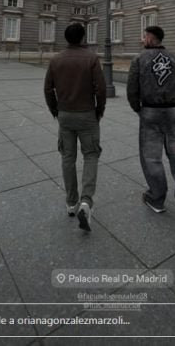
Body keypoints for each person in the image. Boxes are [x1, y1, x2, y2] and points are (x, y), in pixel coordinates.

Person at [127, 26, 175, 217]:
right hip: (174, 111)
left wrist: (139, 109)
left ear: (150, 38)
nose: (143, 40)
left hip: (150, 111)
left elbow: (132, 90)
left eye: (144, 37)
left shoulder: (139, 59)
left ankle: (156, 198)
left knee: (152, 157)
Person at [44, 23, 106, 232]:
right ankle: (86, 202)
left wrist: (55, 110)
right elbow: (101, 89)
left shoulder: (56, 60)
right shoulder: (91, 58)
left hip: (65, 115)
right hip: (87, 114)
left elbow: (47, 89)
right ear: (82, 38)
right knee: (90, 155)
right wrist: (99, 111)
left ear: (66, 38)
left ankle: (71, 203)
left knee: (67, 158)